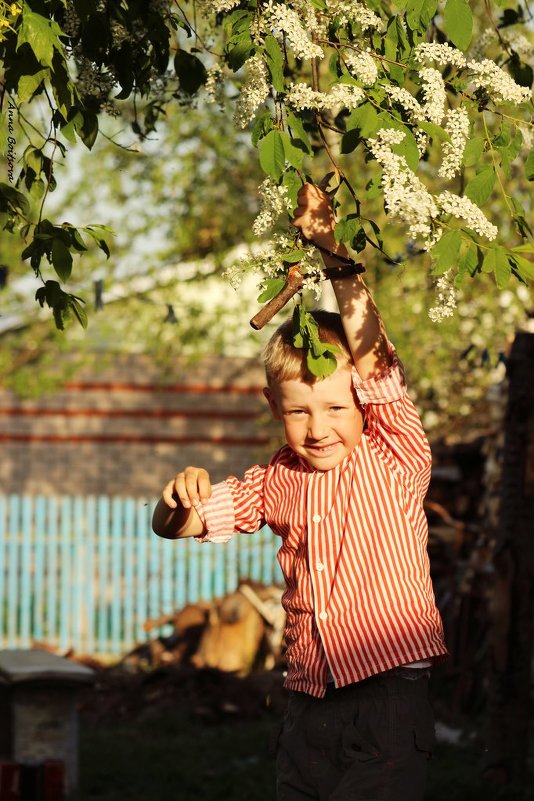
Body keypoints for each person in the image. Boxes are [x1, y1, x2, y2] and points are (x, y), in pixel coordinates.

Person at [152, 183, 448, 801]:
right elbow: (186, 524)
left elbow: (373, 358)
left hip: (386, 698)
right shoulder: (276, 478)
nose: (319, 428)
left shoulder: (395, 454)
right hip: (308, 703)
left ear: (363, 402)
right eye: (299, 412)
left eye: (337, 406)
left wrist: (332, 254)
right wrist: (174, 503)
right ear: (273, 407)